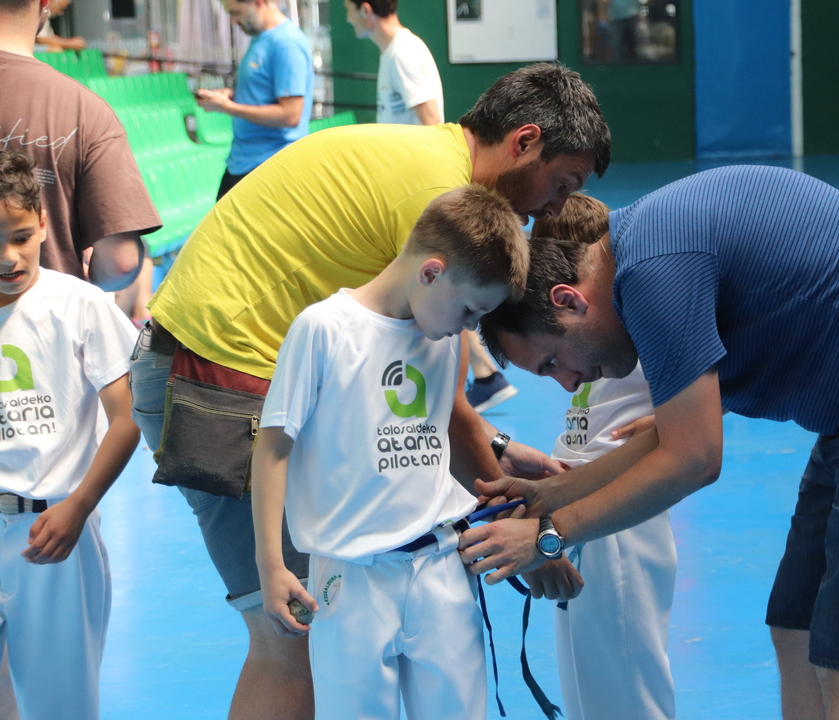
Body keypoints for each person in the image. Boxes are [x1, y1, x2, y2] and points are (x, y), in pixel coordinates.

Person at [128, 63, 608, 720]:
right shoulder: (436, 197)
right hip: (217, 375)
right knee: (292, 634)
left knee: (300, 636)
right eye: (563, 184)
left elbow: (421, 390)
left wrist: (495, 445)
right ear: (524, 142)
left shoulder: (435, 171)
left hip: (214, 359)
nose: (553, 208)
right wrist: (530, 540)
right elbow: (445, 408)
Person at [464, 166, 839, 720]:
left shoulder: (654, 273)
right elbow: (672, 439)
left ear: (568, 299)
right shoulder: (640, 260)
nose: (569, 382)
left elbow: (694, 460)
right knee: (799, 626)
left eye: (553, 361)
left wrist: (549, 536)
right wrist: (550, 495)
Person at [253, 184, 526, 720]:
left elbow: (445, 425)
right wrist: (271, 564)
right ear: (431, 272)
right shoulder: (324, 329)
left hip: (442, 566)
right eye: (470, 309)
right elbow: (274, 447)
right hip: (349, 577)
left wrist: (509, 451)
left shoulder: (445, 338)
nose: (471, 326)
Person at [0, 150, 141, 719]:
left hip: (52, 532)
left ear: (42, 223)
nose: (8, 257)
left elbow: (128, 417)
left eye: (21, 237)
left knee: (61, 707)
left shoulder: (79, 304)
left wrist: (79, 506)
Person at [528, 195, 677, 720]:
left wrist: (670, 422)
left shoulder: (639, 311)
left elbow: (726, 364)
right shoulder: (588, 338)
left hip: (620, 505)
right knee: (589, 678)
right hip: (581, 498)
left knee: (627, 677)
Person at [345, 0, 518, 411]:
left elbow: (431, 123)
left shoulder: (405, 52)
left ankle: (473, 381)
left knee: (433, 288)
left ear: (366, 9)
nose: (347, 18)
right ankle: (485, 375)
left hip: (416, 192)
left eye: (349, 9)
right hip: (400, 189)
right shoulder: (392, 53)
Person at [0, 0, 160, 290]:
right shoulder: (83, 109)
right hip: (48, 313)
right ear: (44, 3)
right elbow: (120, 262)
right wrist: (87, 283)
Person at [196, 0, 314, 200]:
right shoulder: (261, 38)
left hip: (270, 167)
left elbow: (290, 115)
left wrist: (229, 107)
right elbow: (262, 93)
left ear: (258, 2)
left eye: (236, 13)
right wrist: (230, 95)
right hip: (244, 162)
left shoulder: (286, 43)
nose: (233, 21)